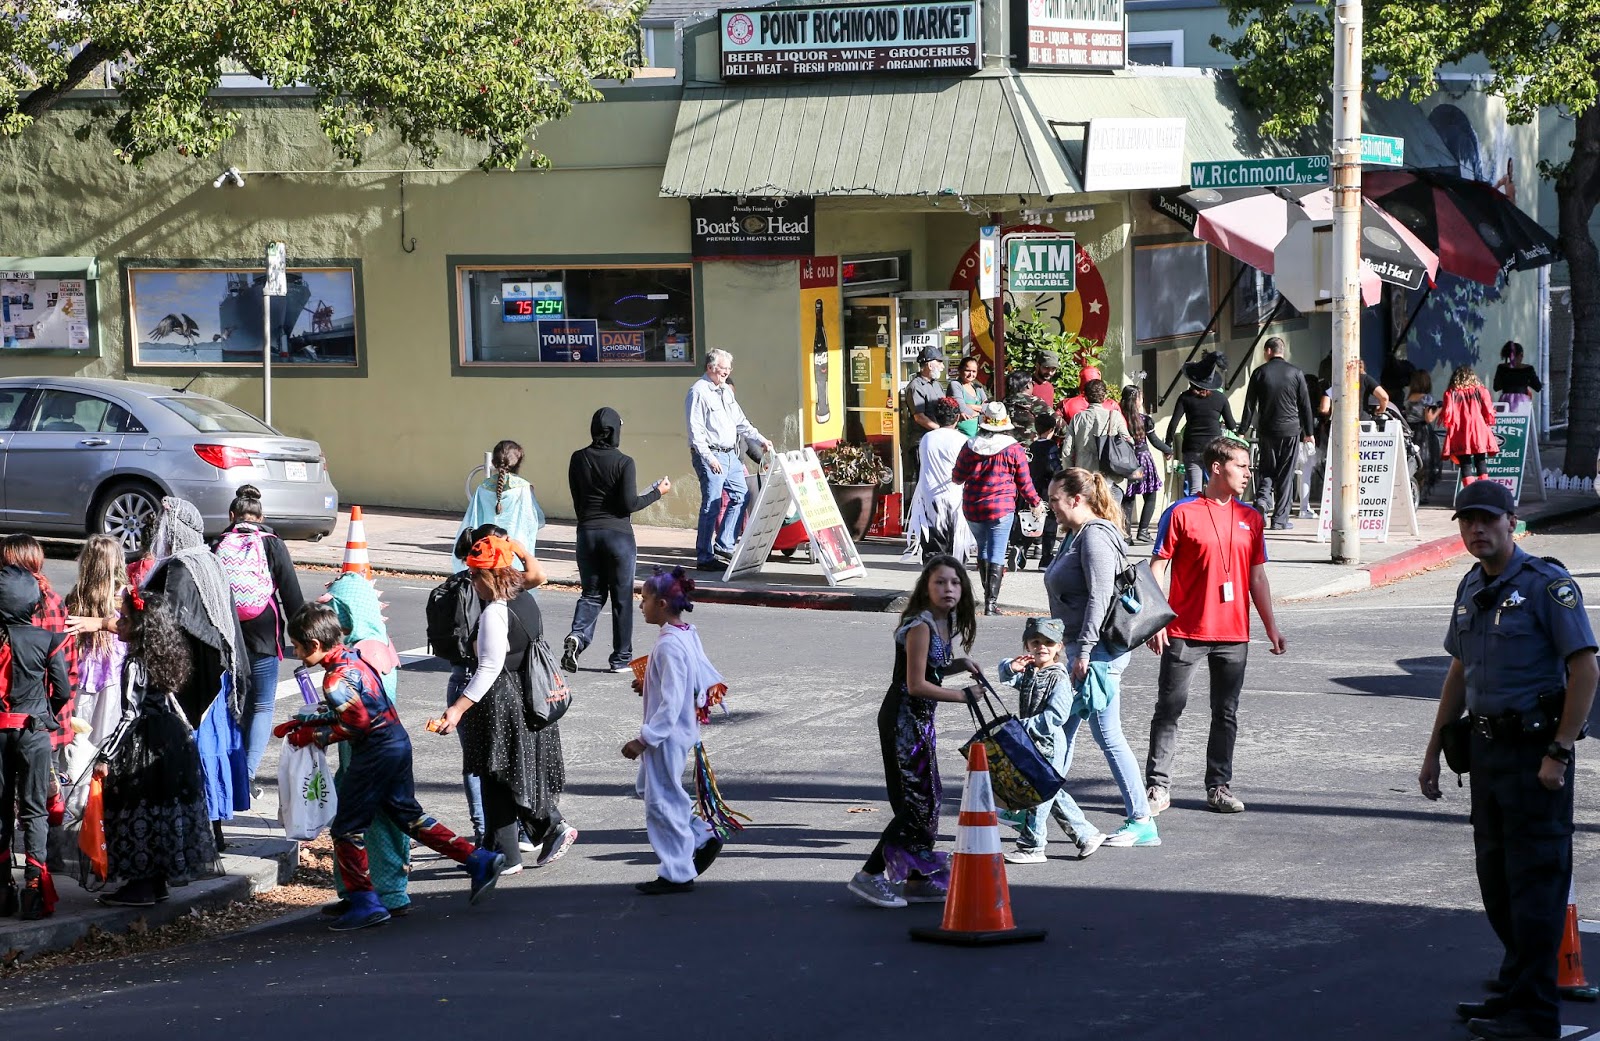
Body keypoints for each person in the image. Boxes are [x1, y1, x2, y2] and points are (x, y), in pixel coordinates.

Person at [1419, 480, 1598, 1041]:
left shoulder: (1548, 586)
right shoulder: (1471, 585)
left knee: (1536, 886)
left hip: (1535, 756)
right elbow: (1458, 670)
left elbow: (1586, 670)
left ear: (1511, 521)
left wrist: (1559, 751)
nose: (1477, 529)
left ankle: (1535, 1014)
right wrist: (1433, 749)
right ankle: (1515, 990)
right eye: (1467, 521)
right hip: (1487, 753)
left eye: (1487, 519)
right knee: (1496, 882)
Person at [282, 603, 504, 931]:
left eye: (299, 647)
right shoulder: (354, 659)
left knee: (347, 828)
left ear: (315, 644)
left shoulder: (335, 679)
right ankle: (478, 860)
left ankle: (365, 903)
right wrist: (316, 722)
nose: (297, 654)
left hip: (374, 754)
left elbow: (356, 725)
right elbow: (360, 710)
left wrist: (311, 735)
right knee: (408, 816)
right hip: (396, 744)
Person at [1145, 437, 1287, 816]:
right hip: (1185, 632)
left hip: (1234, 634)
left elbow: (1257, 578)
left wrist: (1271, 627)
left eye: (1248, 466)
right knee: (1169, 709)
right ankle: (1158, 787)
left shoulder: (1251, 518)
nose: (1247, 473)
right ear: (1217, 468)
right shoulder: (1181, 512)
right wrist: (1156, 620)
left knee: (1226, 713)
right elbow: (1157, 568)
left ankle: (1218, 787)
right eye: (1241, 465)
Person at [434, 534, 577, 875]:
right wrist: (520, 551)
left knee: (498, 774)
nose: (471, 581)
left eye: (475, 574)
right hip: (528, 696)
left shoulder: (496, 612)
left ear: (491, 575)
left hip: (502, 702)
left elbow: (489, 667)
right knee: (508, 773)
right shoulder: (523, 597)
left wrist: (457, 709)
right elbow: (536, 574)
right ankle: (510, 851)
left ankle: (530, 840)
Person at [847, 555, 978, 909]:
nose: (948, 588)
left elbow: (932, 668)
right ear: (926, 588)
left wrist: (960, 664)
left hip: (920, 721)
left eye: (955, 582)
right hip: (903, 720)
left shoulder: (944, 621)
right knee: (915, 804)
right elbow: (916, 683)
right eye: (940, 582)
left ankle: (918, 879)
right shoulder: (920, 626)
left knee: (929, 798)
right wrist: (962, 695)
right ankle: (869, 875)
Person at [1044, 468, 1162, 849]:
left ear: (1076, 499)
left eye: (1055, 500)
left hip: (1097, 654)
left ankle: (1142, 821)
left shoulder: (1094, 537)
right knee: (1061, 731)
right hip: (1082, 649)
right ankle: (1037, 809)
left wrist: (1084, 650)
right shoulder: (1075, 534)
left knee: (1105, 734)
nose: (1051, 507)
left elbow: (1099, 598)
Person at [93, 587, 222, 908]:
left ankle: (141, 884)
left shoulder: (135, 663)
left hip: (145, 741)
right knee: (162, 807)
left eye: (124, 619)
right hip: (172, 739)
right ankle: (157, 881)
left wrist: (106, 754)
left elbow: (130, 714)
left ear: (141, 626)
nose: (119, 624)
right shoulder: (163, 654)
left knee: (135, 806)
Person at [138, 497, 249, 852]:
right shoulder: (209, 560)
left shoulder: (180, 569)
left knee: (195, 751)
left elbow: (167, 622)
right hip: (218, 677)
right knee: (212, 748)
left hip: (193, 682)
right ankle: (215, 830)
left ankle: (197, 832)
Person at [620, 568, 726, 894]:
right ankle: (701, 833)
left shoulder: (669, 645)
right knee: (650, 790)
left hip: (666, 736)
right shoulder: (684, 633)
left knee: (661, 803)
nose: (641, 606)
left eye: (645, 599)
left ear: (662, 603)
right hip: (676, 732)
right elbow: (686, 681)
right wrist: (649, 683)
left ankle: (677, 872)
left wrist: (644, 739)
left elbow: (672, 703)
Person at [318, 572, 413, 920]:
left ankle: (388, 894)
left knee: (378, 822)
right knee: (353, 822)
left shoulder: (366, 651)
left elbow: (364, 711)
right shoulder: (370, 643)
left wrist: (323, 728)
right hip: (365, 752)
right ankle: (357, 893)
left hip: (370, 753)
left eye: (337, 610)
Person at [210, 485, 306, 786]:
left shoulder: (217, 544)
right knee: (262, 705)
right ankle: (247, 774)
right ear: (261, 517)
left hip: (227, 634)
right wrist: (302, 639)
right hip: (265, 631)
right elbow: (291, 595)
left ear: (232, 515)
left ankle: (227, 768)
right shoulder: (273, 544)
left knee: (231, 702)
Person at [563, 407, 670, 674]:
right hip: (618, 536)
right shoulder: (624, 462)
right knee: (621, 598)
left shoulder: (577, 458)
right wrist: (657, 492)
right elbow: (629, 504)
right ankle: (620, 658)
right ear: (615, 431)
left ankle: (578, 636)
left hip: (587, 533)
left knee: (591, 593)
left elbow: (577, 498)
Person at [996, 617, 1105, 863]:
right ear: (1027, 646)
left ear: (1059, 647)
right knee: (1050, 791)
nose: (1042, 647)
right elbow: (1007, 676)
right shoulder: (1031, 671)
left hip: (1049, 744)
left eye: (1048, 642)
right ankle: (1087, 834)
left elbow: (1056, 716)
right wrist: (1011, 667)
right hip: (1031, 743)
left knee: (1039, 795)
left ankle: (1032, 847)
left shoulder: (1058, 677)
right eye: (1035, 642)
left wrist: (1023, 727)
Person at [0, 566, 73, 919]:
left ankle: (2, 888)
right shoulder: (45, 639)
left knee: (0, 808)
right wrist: (46, 714)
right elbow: (62, 691)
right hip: (33, 733)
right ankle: (33, 887)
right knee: (34, 811)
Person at [952, 402, 1043, 616]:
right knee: (997, 552)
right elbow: (1024, 482)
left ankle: (987, 597)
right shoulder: (1014, 448)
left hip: (973, 506)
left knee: (983, 549)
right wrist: (1035, 502)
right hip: (1001, 507)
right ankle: (990, 603)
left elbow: (957, 477)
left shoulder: (970, 445)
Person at [685, 350, 772, 571]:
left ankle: (725, 544)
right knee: (712, 504)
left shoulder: (725, 391)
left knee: (741, 495)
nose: (727, 372)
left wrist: (761, 439)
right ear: (710, 367)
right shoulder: (698, 392)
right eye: (724, 368)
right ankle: (704, 557)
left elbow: (741, 421)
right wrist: (708, 458)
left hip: (730, 454)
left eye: (729, 369)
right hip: (711, 454)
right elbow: (695, 431)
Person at [1, 534, 80, 743]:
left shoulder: (9, 607)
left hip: (14, 721)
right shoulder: (55, 601)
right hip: (50, 719)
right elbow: (70, 664)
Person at [1239, 336, 1315, 530]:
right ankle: (1280, 520)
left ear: (1268, 351)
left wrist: (1242, 431)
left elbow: (1250, 405)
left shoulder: (1259, 373)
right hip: (1291, 431)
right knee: (1285, 474)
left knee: (1266, 469)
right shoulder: (1296, 373)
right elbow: (1305, 405)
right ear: (1282, 351)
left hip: (1267, 430)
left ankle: (1262, 501)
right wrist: (1309, 432)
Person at [64, 535, 130, 747]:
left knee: (77, 741)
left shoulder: (77, 595)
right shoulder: (125, 596)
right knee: (106, 740)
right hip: (112, 676)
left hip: (80, 675)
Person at [901, 398, 974, 565]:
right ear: (957, 417)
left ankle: (933, 577)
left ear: (936, 417)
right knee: (957, 548)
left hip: (930, 498)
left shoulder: (927, 438)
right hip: (956, 498)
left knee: (933, 549)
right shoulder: (962, 440)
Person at [454, 440, 544, 567]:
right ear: (518, 462)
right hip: (514, 549)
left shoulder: (483, 488)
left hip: (486, 547)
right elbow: (534, 521)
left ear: (493, 462)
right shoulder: (523, 488)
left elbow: (473, 518)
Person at [1164, 352, 1239, 495]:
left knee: (1195, 490)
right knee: (1215, 489)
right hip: (1214, 449)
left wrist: (1168, 445)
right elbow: (1231, 425)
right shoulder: (1220, 398)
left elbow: (1173, 423)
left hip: (1192, 447)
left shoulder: (1185, 398)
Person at [1120, 385, 1173, 544]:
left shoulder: (1120, 418)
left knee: (1128, 498)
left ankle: (1126, 534)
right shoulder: (1144, 420)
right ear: (1137, 400)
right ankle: (1143, 530)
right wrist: (1168, 450)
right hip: (1143, 460)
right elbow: (1154, 440)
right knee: (1150, 495)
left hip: (1127, 461)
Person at [1064, 379, 1133, 495]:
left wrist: (1071, 476)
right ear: (1105, 396)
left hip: (1085, 477)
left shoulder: (1077, 418)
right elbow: (1129, 442)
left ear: (1085, 397)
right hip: (1111, 477)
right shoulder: (1115, 416)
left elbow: (1067, 451)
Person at [1441, 364, 1499, 486]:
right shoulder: (1481, 391)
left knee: (1465, 463)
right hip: (1479, 430)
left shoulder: (1451, 393)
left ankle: (1470, 491)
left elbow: (1447, 414)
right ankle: (1484, 490)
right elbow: (1488, 411)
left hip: (1460, 431)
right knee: (1481, 461)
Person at [900, 345, 947, 489]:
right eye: (939, 362)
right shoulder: (916, 386)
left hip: (938, 439)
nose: (942, 367)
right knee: (925, 481)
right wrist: (941, 430)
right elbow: (919, 417)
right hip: (922, 441)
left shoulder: (936, 385)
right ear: (929, 365)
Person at [1057, 365, 1124, 424]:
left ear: (1080, 380)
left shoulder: (1066, 404)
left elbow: (1055, 424)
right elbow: (1123, 428)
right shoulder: (1112, 405)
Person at [1006, 370, 1051, 451]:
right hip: (1030, 453)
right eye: (1032, 383)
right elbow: (1059, 424)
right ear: (1028, 386)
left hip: (1006, 452)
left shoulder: (1003, 402)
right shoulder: (1035, 402)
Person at [1493, 341, 1542, 412]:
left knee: (1504, 419)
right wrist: (1526, 382)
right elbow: (1538, 387)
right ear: (1521, 354)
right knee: (1522, 418)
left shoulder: (1501, 368)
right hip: (1522, 402)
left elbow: (1496, 387)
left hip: (1505, 402)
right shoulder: (1528, 369)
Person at [947, 355, 988, 437]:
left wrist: (969, 406)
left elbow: (987, 408)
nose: (971, 374)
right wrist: (979, 412)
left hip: (978, 435)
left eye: (974, 371)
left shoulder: (978, 387)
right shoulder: (955, 385)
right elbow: (961, 408)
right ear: (960, 370)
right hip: (960, 435)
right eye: (967, 370)